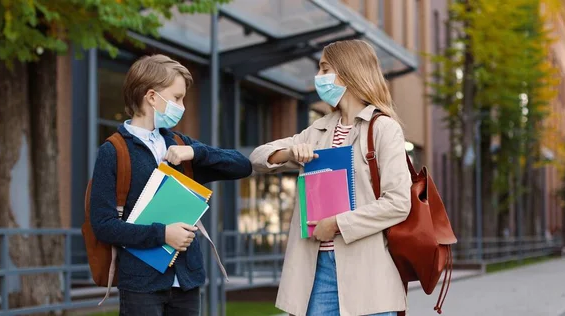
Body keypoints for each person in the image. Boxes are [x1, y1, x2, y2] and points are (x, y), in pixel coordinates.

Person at [250, 40, 412, 316]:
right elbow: (258, 157)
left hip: (366, 268)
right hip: (317, 269)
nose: (318, 77)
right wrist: (290, 151)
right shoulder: (318, 130)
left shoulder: (384, 128)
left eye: (325, 68)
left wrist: (337, 223)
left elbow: (398, 202)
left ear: (349, 72)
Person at [90, 54, 252, 316]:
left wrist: (195, 153)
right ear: (152, 97)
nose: (182, 106)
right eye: (177, 98)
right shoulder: (114, 151)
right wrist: (163, 234)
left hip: (187, 282)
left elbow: (241, 165)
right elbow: (104, 226)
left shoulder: (178, 142)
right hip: (141, 285)